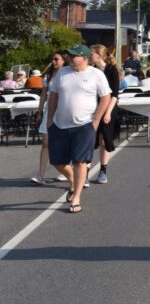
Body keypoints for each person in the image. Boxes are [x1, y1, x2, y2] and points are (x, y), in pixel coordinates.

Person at [46, 44, 112, 213]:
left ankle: (76, 197)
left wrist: (96, 120)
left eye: (73, 56)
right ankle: (73, 179)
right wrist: (49, 121)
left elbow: (106, 97)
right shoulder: (62, 72)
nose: (70, 58)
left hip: (84, 126)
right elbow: (53, 96)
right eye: (69, 55)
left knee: (79, 161)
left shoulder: (96, 74)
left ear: (84, 58)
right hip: (59, 125)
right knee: (57, 162)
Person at [31, 52, 65, 185]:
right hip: (49, 112)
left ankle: (65, 171)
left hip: (63, 112)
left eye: (56, 59)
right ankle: (41, 175)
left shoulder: (68, 74)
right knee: (46, 143)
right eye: (53, 59)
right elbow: (44, 94)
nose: (54, 61)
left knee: (64, 143)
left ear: (63, 61)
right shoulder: (49, 75)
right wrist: (39, 112)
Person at [90, 45, 121, 185]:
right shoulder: (92, 71)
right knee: (90, 139)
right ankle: (84, 171)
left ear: (99, 55)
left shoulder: (111, 69)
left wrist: (107, 112)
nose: (90, 56)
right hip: (93, 107)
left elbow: (115, 94)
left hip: (109, 107)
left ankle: (103, 170)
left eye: (92, 53)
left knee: (104, 139)